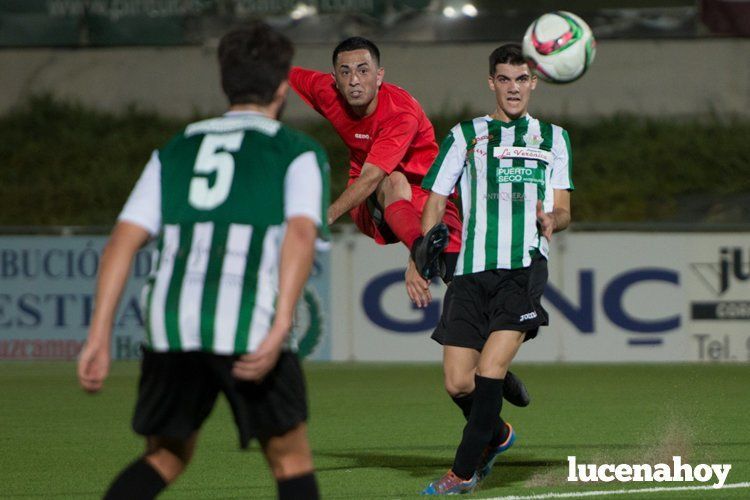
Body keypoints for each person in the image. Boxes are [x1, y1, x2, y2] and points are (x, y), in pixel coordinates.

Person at [76, 22, 328, 500]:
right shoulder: (295, 150)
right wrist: (279, 330)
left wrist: (98, 336)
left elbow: (121, 242)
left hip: (170, 324)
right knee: (291, 459)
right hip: (247, 326)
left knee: (166, 455)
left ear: (224, 82)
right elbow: (299, 235)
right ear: (282, 87)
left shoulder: (176, 149)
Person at [289, 36, 530, 408]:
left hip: (434, 198)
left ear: (380, 75)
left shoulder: (399, 111)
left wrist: (324, 217)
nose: (354, 80)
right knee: (392, 180)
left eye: (363, 70)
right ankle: (422, 249)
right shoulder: (326, 91)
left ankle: (495, 394)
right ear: (333, 78)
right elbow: (278, 73)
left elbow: (375, 176)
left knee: (466, 286)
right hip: (376, 201)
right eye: (345, 71)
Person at [416, 43, 573, 495]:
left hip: (522, 270)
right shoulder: (466, 135)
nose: (513, 88)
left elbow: (564, 209)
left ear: (534, 83)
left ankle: (463, 471)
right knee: (457, 381)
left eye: (521, 79)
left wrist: (551, 220)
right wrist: (422, 253)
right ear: (492, 83)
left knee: (486, 373)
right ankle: (499, 434)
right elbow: (436, 198)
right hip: (469, 272)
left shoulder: (554, 138)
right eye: (504, 79)